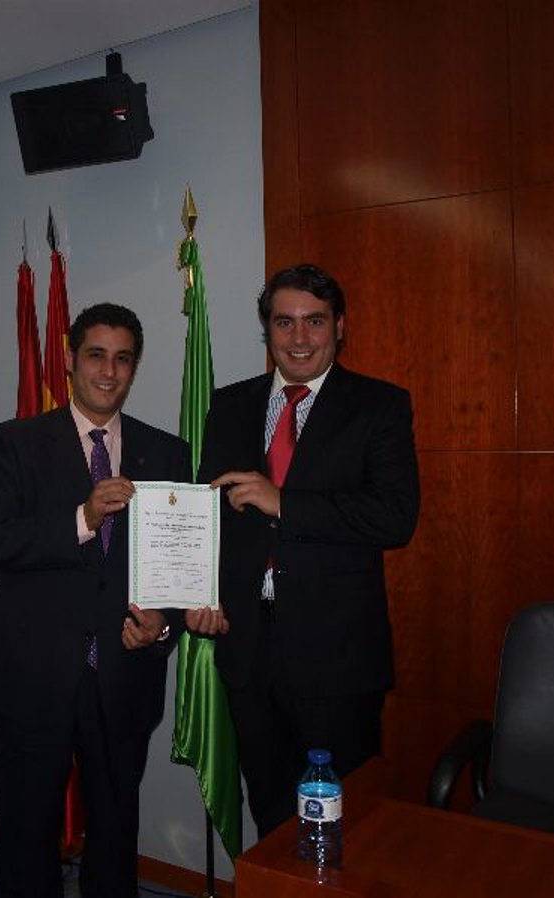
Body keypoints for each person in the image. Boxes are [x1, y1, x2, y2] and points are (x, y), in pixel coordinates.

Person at [186, 263, 420, 838]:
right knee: (270, 813)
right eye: (283, 322)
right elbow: (209, 516)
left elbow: (394, 517)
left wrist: (283, 502)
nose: (298, 337)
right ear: (266, 329)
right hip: (247, 647)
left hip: (336, 656)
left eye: (314, 321)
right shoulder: (230, 405)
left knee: (345, 823)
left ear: (340, 326)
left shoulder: (379, 406)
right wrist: (197, 593)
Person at [0, 303, 189, 898]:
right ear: (69, 360)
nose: (109, 372)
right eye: (96, 355)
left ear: (134, 367)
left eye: (123, 359)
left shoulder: (167, 452)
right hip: (31, 674)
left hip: (123, 675)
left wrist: (162, 626)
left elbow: (176, 573)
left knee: (115, 835)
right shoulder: (16, 442)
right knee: (27, 835)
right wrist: (83, 518)